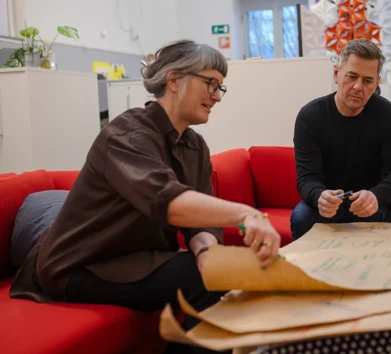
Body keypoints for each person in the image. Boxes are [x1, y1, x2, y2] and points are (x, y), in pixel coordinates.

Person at [10, 40, 281, 354]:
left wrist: (207, 250)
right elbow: (169, 202)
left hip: (135, 258)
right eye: (210, 83)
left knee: (216, 269)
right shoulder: (127, 134)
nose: (217, 96)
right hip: (83, 265)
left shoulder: (195, 147)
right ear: (174, 80)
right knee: (198, 279)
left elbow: (199, 221)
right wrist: (246, 214)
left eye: (221, 88)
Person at [290, 39, 391, 240]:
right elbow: (306, 178)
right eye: (351, 76)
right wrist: (319, 196)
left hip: (374, 203)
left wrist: (376, 195)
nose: (358, 87)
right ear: (336, 74)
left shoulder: (388, 115)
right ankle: (311, 272)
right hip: (330, 206)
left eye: (368, 81)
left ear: (377, 83)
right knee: (301, 215)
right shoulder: (310, 116)